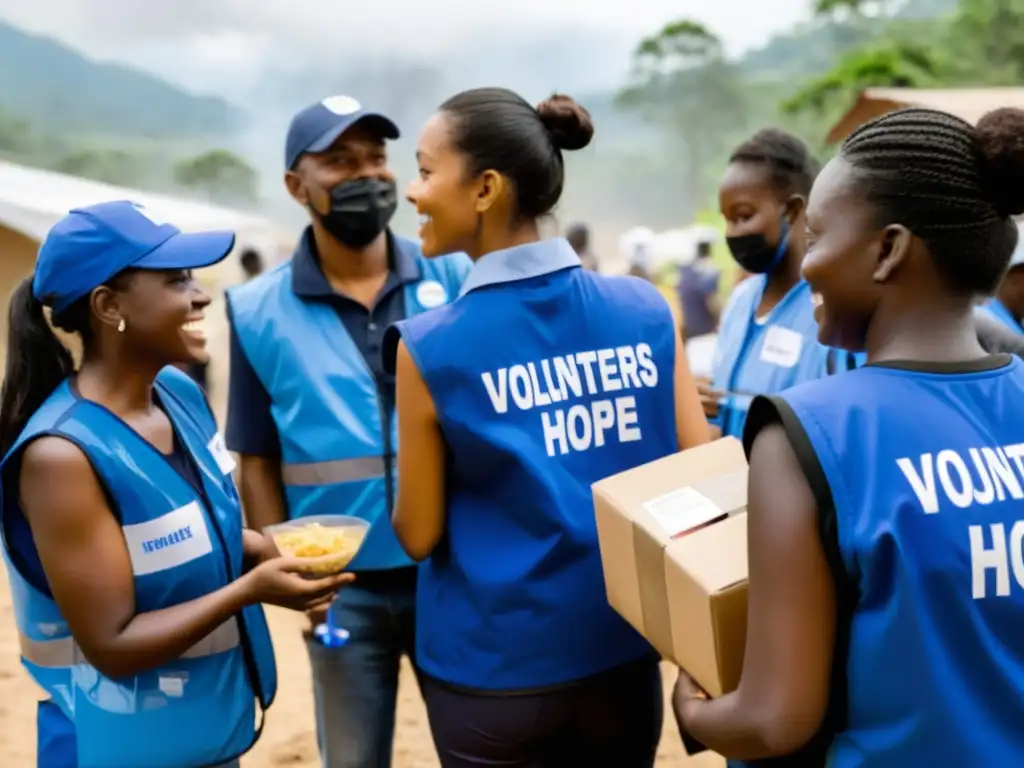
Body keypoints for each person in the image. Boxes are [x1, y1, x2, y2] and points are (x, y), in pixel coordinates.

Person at [673, 107, 1024, 765]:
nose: (806, 264)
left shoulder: (810, 432)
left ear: (889, 250)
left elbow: (774, 722)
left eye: (817, 237)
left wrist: (692, 708)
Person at [385, 87, 710, 767]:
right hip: (622, 657)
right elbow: (702, 481)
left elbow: (417, 534)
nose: (410, 192)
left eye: (422, 169)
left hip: (492, 673)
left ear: (485, 189)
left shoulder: (428, 345)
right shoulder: (644, 308)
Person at [0, 200, 351, 768]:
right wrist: (252, 589)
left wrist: (275, 549)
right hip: (115, 749)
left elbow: (206, 529)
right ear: (108, 306)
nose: (201, 295)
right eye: (176, 280)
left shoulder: (179, 396)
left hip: (205, 735)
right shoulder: (60, 456)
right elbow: (111, 645)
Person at [224, 95, 471, 768]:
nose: (367, 175)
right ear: (295, 186)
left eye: (376, 158)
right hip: (342, 593)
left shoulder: (456, 274)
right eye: (340, 162)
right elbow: (255, 458)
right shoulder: (255, 310)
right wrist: (291, 572)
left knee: (477, 751)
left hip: (453, 572)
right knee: (354, 758)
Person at [702, 129, 852, 439]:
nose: (732, 232)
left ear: (794, 210)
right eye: (726, 219)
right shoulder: (741, 301)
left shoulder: (833, 311)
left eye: (743, 216)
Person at [677, 237, 722, 341]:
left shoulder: (685, 271)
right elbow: (712, 301)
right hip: (706, 332)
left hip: (691, 331)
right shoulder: (708, 269)